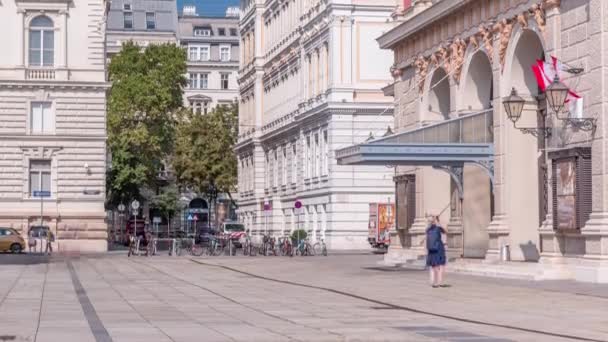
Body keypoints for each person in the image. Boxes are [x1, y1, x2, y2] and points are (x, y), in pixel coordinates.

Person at [424, 215, 448, 288]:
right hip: (439, 248)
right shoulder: (438, 228)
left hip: (431, 250)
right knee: (440, 265)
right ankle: (439, 282)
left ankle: (433, 282)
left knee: (433, 266)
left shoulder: (427, 230)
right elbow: (446, 231)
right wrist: (438, 222)